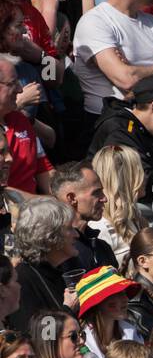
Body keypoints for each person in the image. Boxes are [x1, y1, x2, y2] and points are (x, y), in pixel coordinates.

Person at [11, 198, 82, 334]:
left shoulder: (60, 269)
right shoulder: (22, 280)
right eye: (69, 229)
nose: (76, 234)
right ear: (49, 236)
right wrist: (68, 309)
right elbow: (38, 337)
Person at [49, 160, 115, 272]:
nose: (105, 199)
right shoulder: (57, 253)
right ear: (72, 198)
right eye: (96, 193)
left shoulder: (102, 247)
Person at [0, 60, 51, 196]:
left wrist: (65, 202)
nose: (20, 89)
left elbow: (44, 169)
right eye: (13, 83)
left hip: (34, 210)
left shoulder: (20, 119)